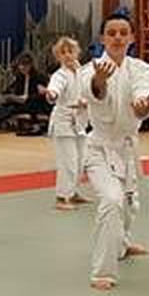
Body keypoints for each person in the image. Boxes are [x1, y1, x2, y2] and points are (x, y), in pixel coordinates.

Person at [86, 12, 149, 290]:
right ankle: (102, 272)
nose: (117, 37)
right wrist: (100, 83)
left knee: (129, 205)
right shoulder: (91, 69)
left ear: (132, 37)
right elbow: (93, 91)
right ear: (103, 38)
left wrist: (143, 104)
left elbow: (146, 90)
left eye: (123, 32)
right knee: (112, 200)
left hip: (127, 148)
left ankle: (122, 243)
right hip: (99, 149)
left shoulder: (140, 69)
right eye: (112, 33)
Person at [44, 36, 92, 211]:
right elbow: (54, 89)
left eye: (70, 51)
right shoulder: (60, 75)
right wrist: (51, 94)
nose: (67, 55)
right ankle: (62, 197)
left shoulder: (81, 71)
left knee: (81, 160)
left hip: (79, 121)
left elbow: (88, 90)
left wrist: (86, 101)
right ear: (58, 57)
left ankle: (73, 192)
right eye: (62, 53)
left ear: (77, 52)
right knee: (68, 162)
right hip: (63, 122)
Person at [0, 52, 45, 132]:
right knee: (4, 107)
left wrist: (27, 98)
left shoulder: (39, 77)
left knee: (11, 108)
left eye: (24, 65)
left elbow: (41, 96)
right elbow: (11, 88)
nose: (22, 68)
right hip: (21, 103)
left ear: (30, 65)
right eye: (20, 66)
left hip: (33, 105)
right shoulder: (20, 78)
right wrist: (4, 95)